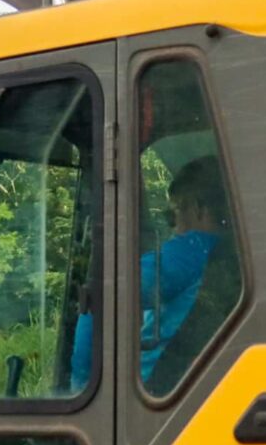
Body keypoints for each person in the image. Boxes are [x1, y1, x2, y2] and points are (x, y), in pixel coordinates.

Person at [66, 155, 228, 390]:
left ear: (197, 208)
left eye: (173, 214)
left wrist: (82, 384)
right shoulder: (227, 254)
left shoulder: (189, 251)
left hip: (151, 388)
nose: (173, 228)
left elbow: (105, 296)